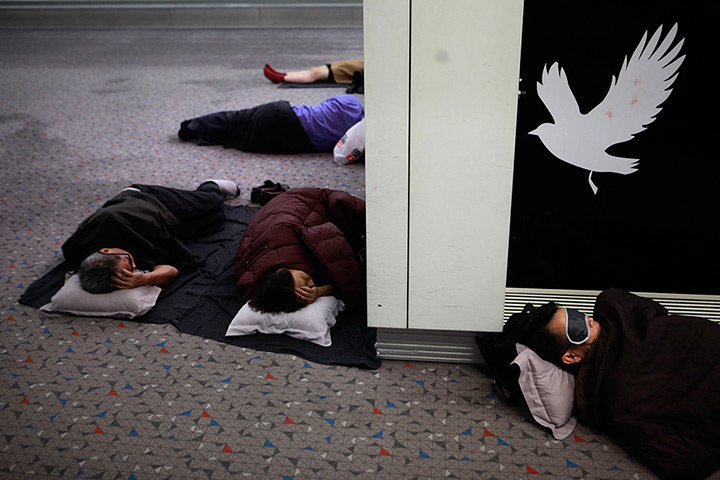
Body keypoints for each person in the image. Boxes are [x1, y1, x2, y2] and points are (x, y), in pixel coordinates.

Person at [520, 289, 720, 480]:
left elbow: (651, 311)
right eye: (576, 328)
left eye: (577, 314)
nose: (588, 320)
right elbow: (677, 459)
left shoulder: (620, 317)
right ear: (571, 357)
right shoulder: (618, 391)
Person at [62, 180, 240, 294]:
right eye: (132, 268)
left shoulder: (90, 236)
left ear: (106, 250)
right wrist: (146, 279)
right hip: (163, 226)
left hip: (148, 199)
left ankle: (212, 183)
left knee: (209, 202)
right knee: (216, 220)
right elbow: (170, 269)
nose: (135, 265)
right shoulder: (107, 266)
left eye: (129, 260)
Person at [234, 187, 365, 313]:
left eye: (305, 280)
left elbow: (343, 270)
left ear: (283, 272)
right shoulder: (257, 283)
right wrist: (320, 291)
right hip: (277, 212)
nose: (312, 282)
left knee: (344, 204)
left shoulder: (294, 246)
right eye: (310, 285)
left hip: (299, 200)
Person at [178, 94, 364, 155]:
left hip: (283, 115)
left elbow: (323, 106)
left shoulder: (350, 101)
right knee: (236, 136)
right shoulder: (360, 136)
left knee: (235, 120)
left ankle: (190, 127)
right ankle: (196, 133)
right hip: (289, 144)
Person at [263, 60, 363, 85]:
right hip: (355, 64)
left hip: (351, 71)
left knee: (316, 74)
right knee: (315, 70)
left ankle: (280, 78)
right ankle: (283, 74)